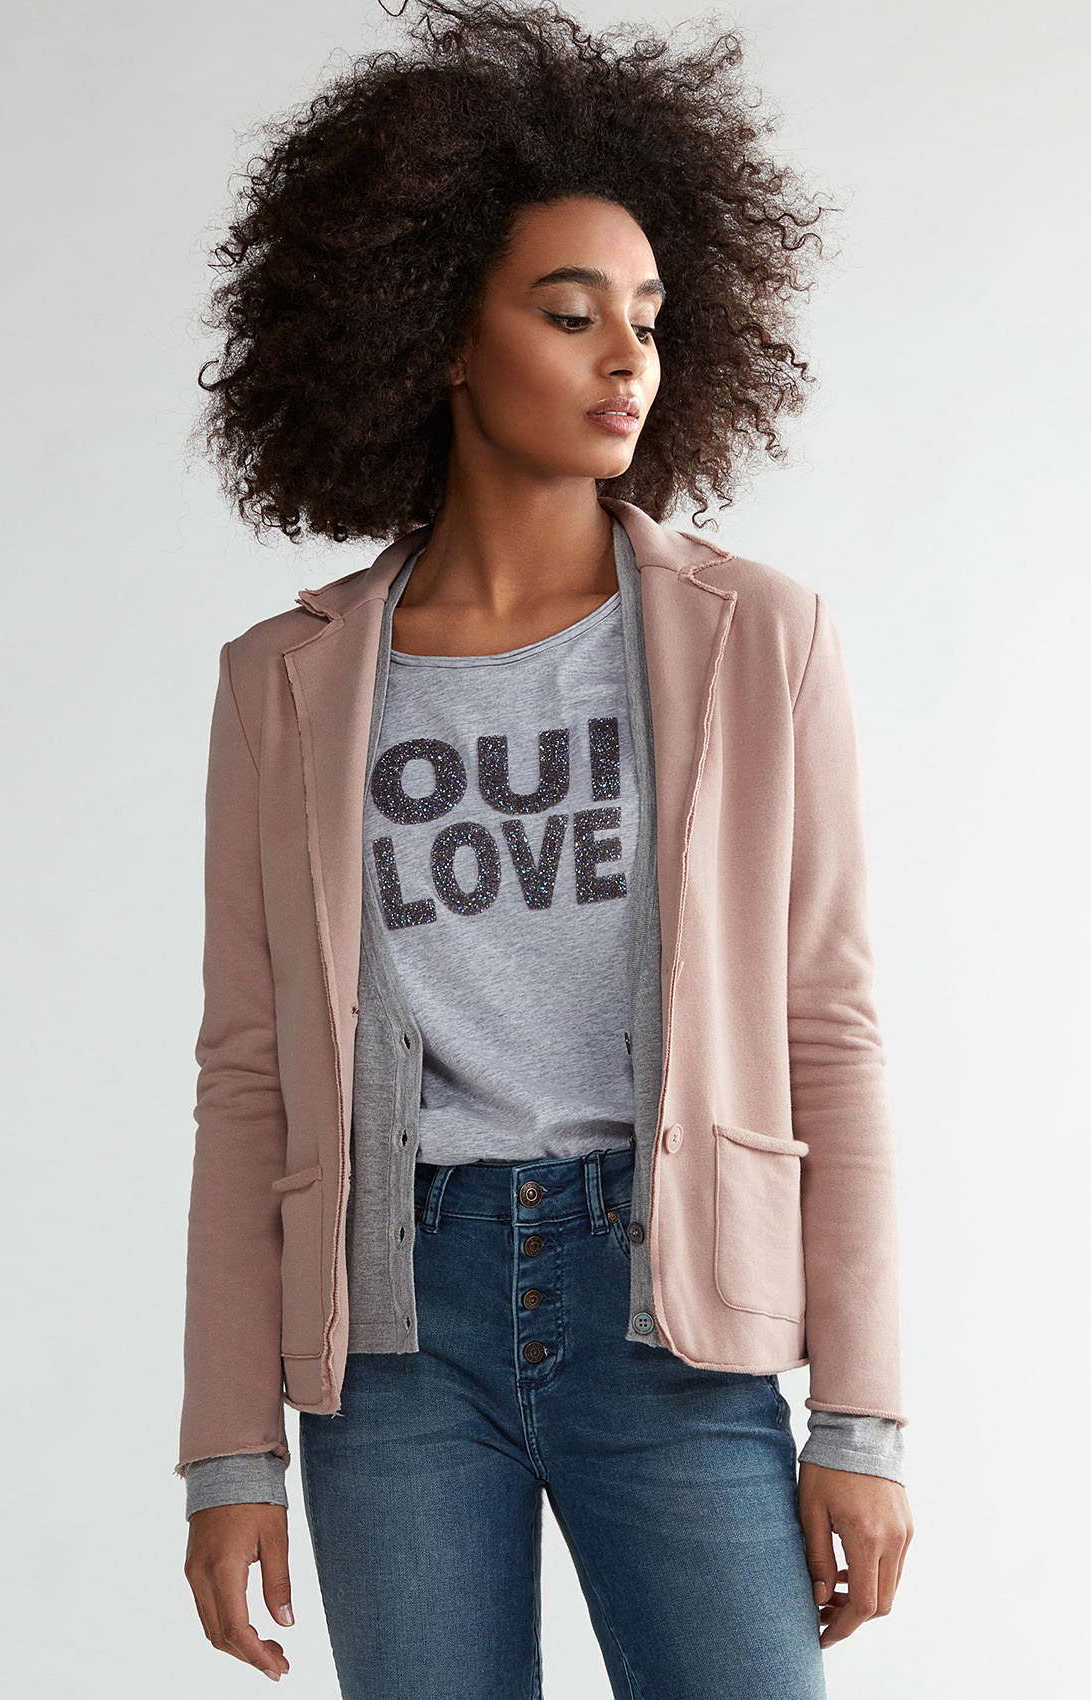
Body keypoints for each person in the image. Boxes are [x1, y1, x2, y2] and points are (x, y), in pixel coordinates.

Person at [175, 2, 914, 1692]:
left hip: (671, 1312)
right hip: (395, 1337)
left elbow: (826, 1028)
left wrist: (861, 1417)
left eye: (646, 319)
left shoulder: (754, 637)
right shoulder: (285, 684)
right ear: (441, 332)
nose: (623, 360)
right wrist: (228, 1454)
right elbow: (247, 1077)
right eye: (569, 314)